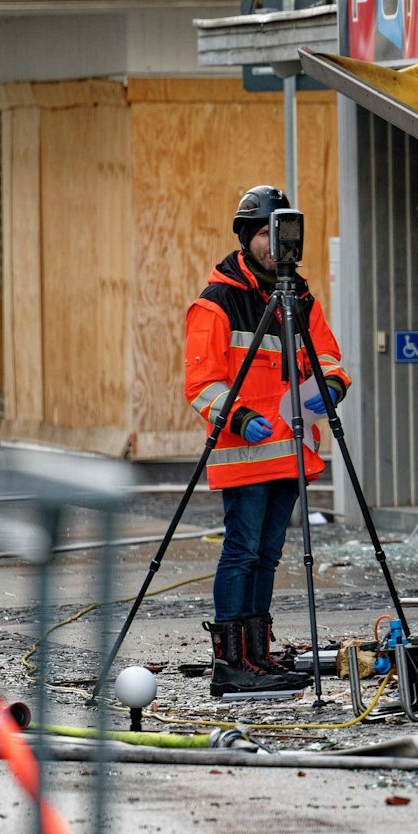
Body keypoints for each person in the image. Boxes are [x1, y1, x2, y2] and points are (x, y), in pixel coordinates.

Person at [183, 185, 350, 697]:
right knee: (241, 551)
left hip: (291, 451)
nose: (273, 243)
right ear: (246, 238)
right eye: (263, 233)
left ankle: (257, 655)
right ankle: (231, 663)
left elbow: (329, 358)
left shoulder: (299, 297)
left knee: (268, 555)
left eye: (281, 231)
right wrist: (238, 418)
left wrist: (333, 389)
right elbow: (201, 383)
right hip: (247, 451)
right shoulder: (216, 303)